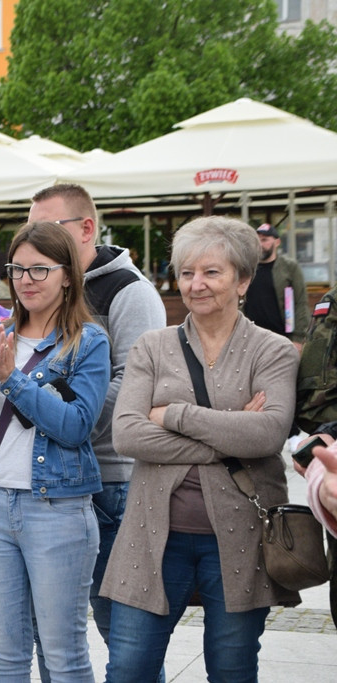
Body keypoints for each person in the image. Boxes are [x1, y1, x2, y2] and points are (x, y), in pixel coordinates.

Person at [103, 216, 301, 682]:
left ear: (243, 281)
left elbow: (269, 435)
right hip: (152, 535)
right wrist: (231, 430)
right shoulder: (152, 347)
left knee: (232, 668)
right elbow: (127, 434)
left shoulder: (271, 351)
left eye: (212, 272)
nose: (196, 284)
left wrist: (172, 414)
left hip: (243, 536)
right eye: (187, 272)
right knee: (128, 668)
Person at [0, 222, 110, 681]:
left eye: (40, 269)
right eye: (19, 268)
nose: (27, 279)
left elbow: (76, 427)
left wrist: (11, 380)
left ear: (67, 276)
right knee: (4, 656)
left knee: (63, 655)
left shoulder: (88, 342)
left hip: (56, 509)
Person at [28, 183, 166, 679]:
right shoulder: (50, 286)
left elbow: (136, 385)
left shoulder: (130, 291)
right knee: (56, 630)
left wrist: (59, 415)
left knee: (124, 636)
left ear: (86, 229)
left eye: (47, 228)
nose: (36, 240)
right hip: (57, 480)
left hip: (113, 479)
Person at [243, 222, 309, 351]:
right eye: (257, 241)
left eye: (265, 240)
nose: (260, 245)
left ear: (277, 242)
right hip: (251, 339)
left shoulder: (289, 267)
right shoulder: (247, 268)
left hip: (282, 338)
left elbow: (301, 302)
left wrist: (298, 338)